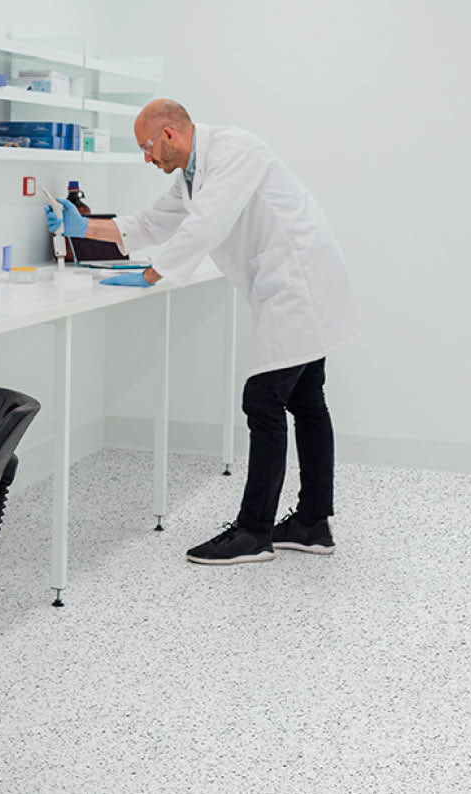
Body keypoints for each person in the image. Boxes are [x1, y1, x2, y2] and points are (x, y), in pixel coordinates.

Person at [44, 99, 357, 566]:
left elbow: (206, 225)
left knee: (264, 400)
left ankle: (254, 532)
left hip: (298, 282)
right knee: (307, 399)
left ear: (169, 134)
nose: (147, 158)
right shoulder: (192, 175)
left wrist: (153, 275)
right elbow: (150, 223)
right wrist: (83, 225)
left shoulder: (235, 152)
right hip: (288, 285)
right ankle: (312, 523)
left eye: (147, 147)